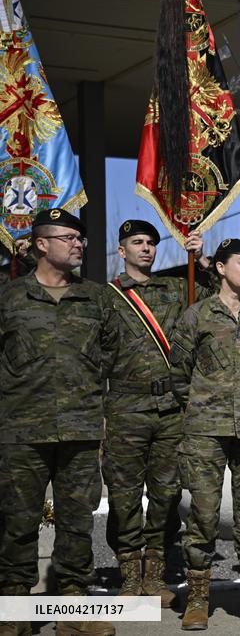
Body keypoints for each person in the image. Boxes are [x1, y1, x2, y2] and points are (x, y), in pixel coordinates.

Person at [0, 209, 118, 636]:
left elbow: (112, 358)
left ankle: (74, 605)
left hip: (81, 429)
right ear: (41, 244)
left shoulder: (97, 299)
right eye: (68, 237)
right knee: (16, 520)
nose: (78, 244)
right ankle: (14, 609)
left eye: (80, 238)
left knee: (77, 522)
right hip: (20, 431)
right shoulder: (9, 298)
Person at [170, 238, 240, 629]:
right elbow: (179, 375)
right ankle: (197, 598)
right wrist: (203, 406)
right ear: (220, 267)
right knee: (201, 515)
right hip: (206, 430)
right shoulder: (196, 316)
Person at [101, 220, 211, 607]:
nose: (146, 249)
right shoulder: (107, 298)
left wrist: (202, 257)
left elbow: (215, 297)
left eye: (151, 242)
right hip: (126, 408)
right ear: (121, 250)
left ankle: (156, 575)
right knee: (125, 495)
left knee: (166, 494)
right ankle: (129, 576)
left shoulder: (177, 288)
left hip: (170, 410)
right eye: (137, 242)